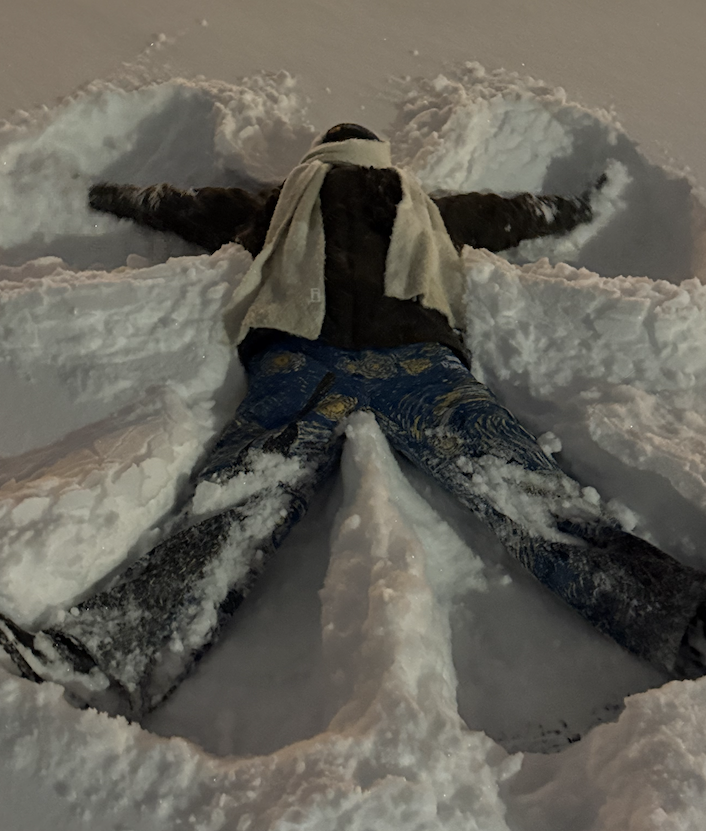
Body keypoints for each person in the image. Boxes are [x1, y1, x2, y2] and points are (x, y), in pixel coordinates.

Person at [2, 123, 706, 720]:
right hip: (419, 365)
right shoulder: (420, 203)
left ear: (319, 157)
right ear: (380, 156)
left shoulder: (280, 203)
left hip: (301, 363)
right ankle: (680, 620)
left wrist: (103, 193)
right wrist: (575, 207)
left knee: (241, 501)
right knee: (522, 488)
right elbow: (508, 214)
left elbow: (184, 208)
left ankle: (104, 657)